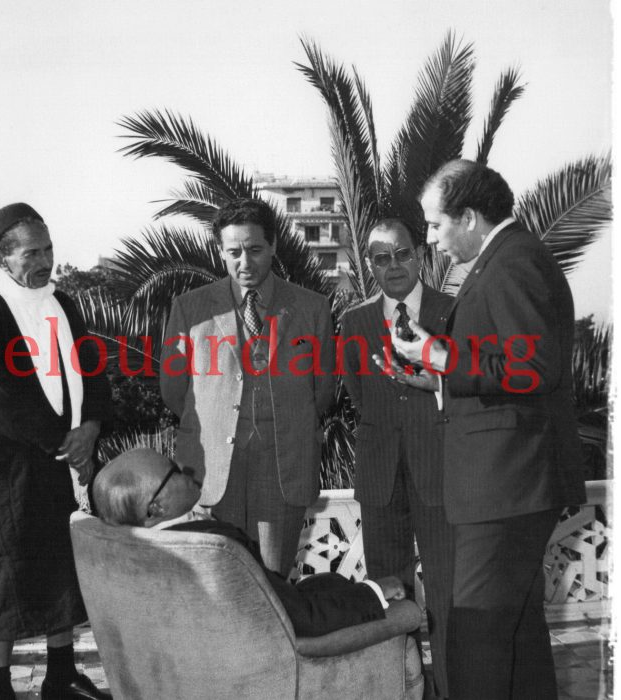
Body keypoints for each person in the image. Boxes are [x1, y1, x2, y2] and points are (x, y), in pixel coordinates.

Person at [392, 160, 586, 700]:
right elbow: (506, 369)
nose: (431, 240)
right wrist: (436, 375)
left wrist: (437, 351)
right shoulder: (506, 259)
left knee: (475, 638)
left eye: (435, 225)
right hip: (508, 483)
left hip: (506, 486)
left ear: (470, 217)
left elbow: (532, 368)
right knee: (519, 639)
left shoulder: (513, 263)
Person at [0, 203, 112, 700]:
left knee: (63, 569)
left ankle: (60, 677)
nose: (44, 261)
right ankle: (0, 687)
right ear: (3, 259)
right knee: (5, 576)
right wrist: (65, 440)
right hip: (7, 473)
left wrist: (92, 427)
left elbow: (93, 371)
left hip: (63, 462)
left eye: (49, 249)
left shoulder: (64, 304)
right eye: (31, 253)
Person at [160, 198, 334, 577]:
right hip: (212, 471)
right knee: (217, 585)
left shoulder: (312, 309)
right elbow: (174, 390)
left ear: (273, 246)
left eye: (255, 250)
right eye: (234, 251)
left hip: (281, 468)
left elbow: (323, 392)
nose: (245, 262)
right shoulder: (190, 309)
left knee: (273, 588)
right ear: (221, 252)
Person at [92, 448, 423, 639]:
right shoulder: (213, 548)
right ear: (156, 509)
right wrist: (376, 592)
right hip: (278, 654)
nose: (185, 468)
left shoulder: (140, 551)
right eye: (173, 471)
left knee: (330, 581)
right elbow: (300, 620)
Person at [341, 218, 454, 699]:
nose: (393, 267)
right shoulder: (355, 322)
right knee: (389, 592)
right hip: (379, 473)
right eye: (381, 258)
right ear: (369, 264)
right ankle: (404, 688)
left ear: (420, 255)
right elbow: (356, 390)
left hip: (442, 472)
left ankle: (451, 688)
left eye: (402, 254)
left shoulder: (453, 310)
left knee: (448, 595)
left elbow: (465, 383)